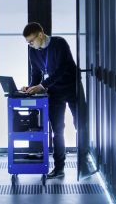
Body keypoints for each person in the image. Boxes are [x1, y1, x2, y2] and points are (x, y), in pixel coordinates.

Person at [20, 22, 79, 179]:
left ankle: (85, 161)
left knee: (80, 125)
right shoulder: (32, 51)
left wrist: (42, 86)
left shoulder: (59, 43)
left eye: (31, 41)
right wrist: (31, 87)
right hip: (54, 92)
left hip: (72, 89)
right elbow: (37, 73)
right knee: (57, 130)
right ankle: (59, 168)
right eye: (28, 43)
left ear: (40, 35)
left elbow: (61, 70)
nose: (30, 45)